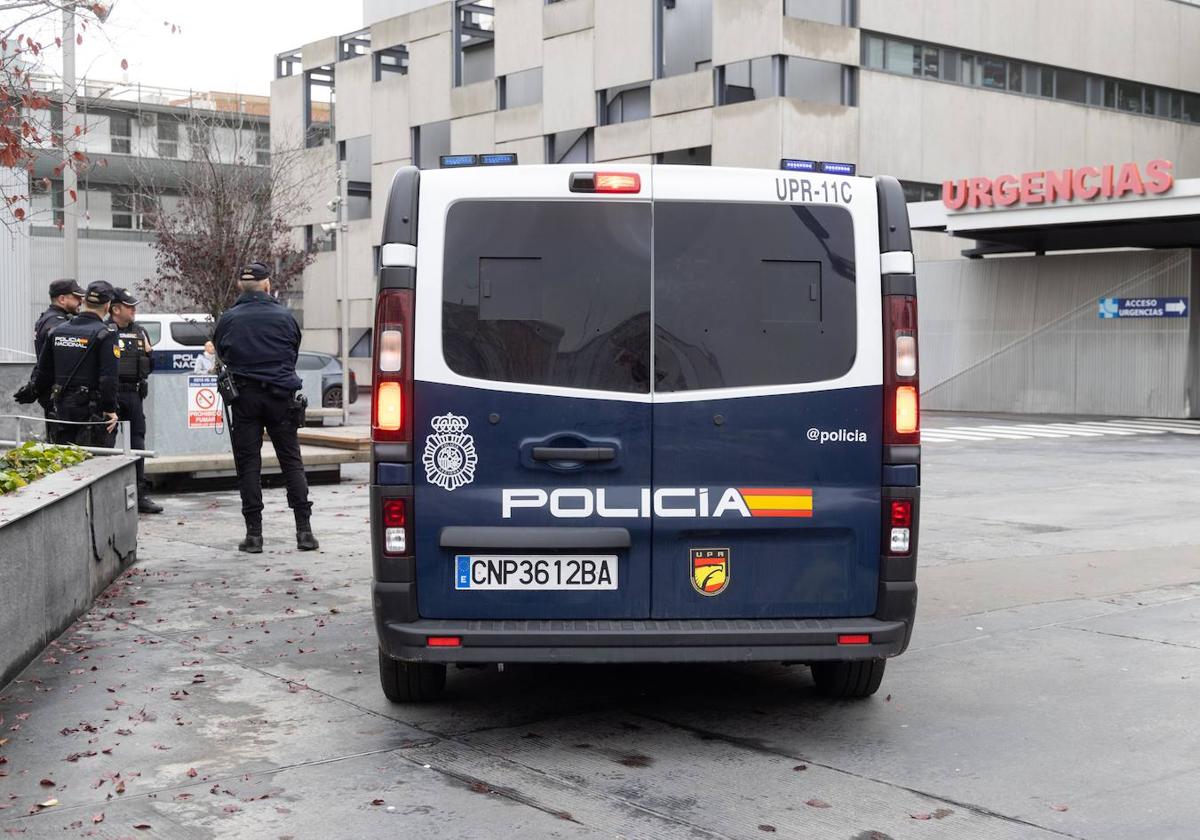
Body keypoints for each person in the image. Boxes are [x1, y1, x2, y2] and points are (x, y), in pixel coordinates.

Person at [213, 262, 318, 554]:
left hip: (244, 399)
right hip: (281, 397)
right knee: (291, 461)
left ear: (239, 287)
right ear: (267, 285)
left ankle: (254, 536)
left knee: (248, 465)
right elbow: (293, 349)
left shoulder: (229, 319)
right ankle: (304, 532)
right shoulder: (285, 317)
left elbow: (221, 351)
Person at [33, 281, 120, 447]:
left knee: (63, 462)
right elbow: (108, 379)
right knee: (94, 466)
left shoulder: (57, 331)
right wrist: (110, 410)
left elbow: (43, 371)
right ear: (108, 305)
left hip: (61, 409)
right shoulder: (106, 334)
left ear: (84, 301)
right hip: (91, 414)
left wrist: (39, 396)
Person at [109, 288, 163, 514]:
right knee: (106, 445)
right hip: (110, 395)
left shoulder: (140, 332)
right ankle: (107, 497)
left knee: (138, 444)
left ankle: (140, 495)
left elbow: (151, 365)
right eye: (129, 306)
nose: (133, 310)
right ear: (115, 309)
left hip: (133, 394)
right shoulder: (105, 330)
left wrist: (151, 355)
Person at [30, 279, 85, 423]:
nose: (81, 301)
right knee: (63, 443)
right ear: (62, 299)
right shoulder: (57, 324)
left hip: (55, 392)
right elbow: (54, 362)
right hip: (58, 394)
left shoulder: (49, 319)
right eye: (77, 297)